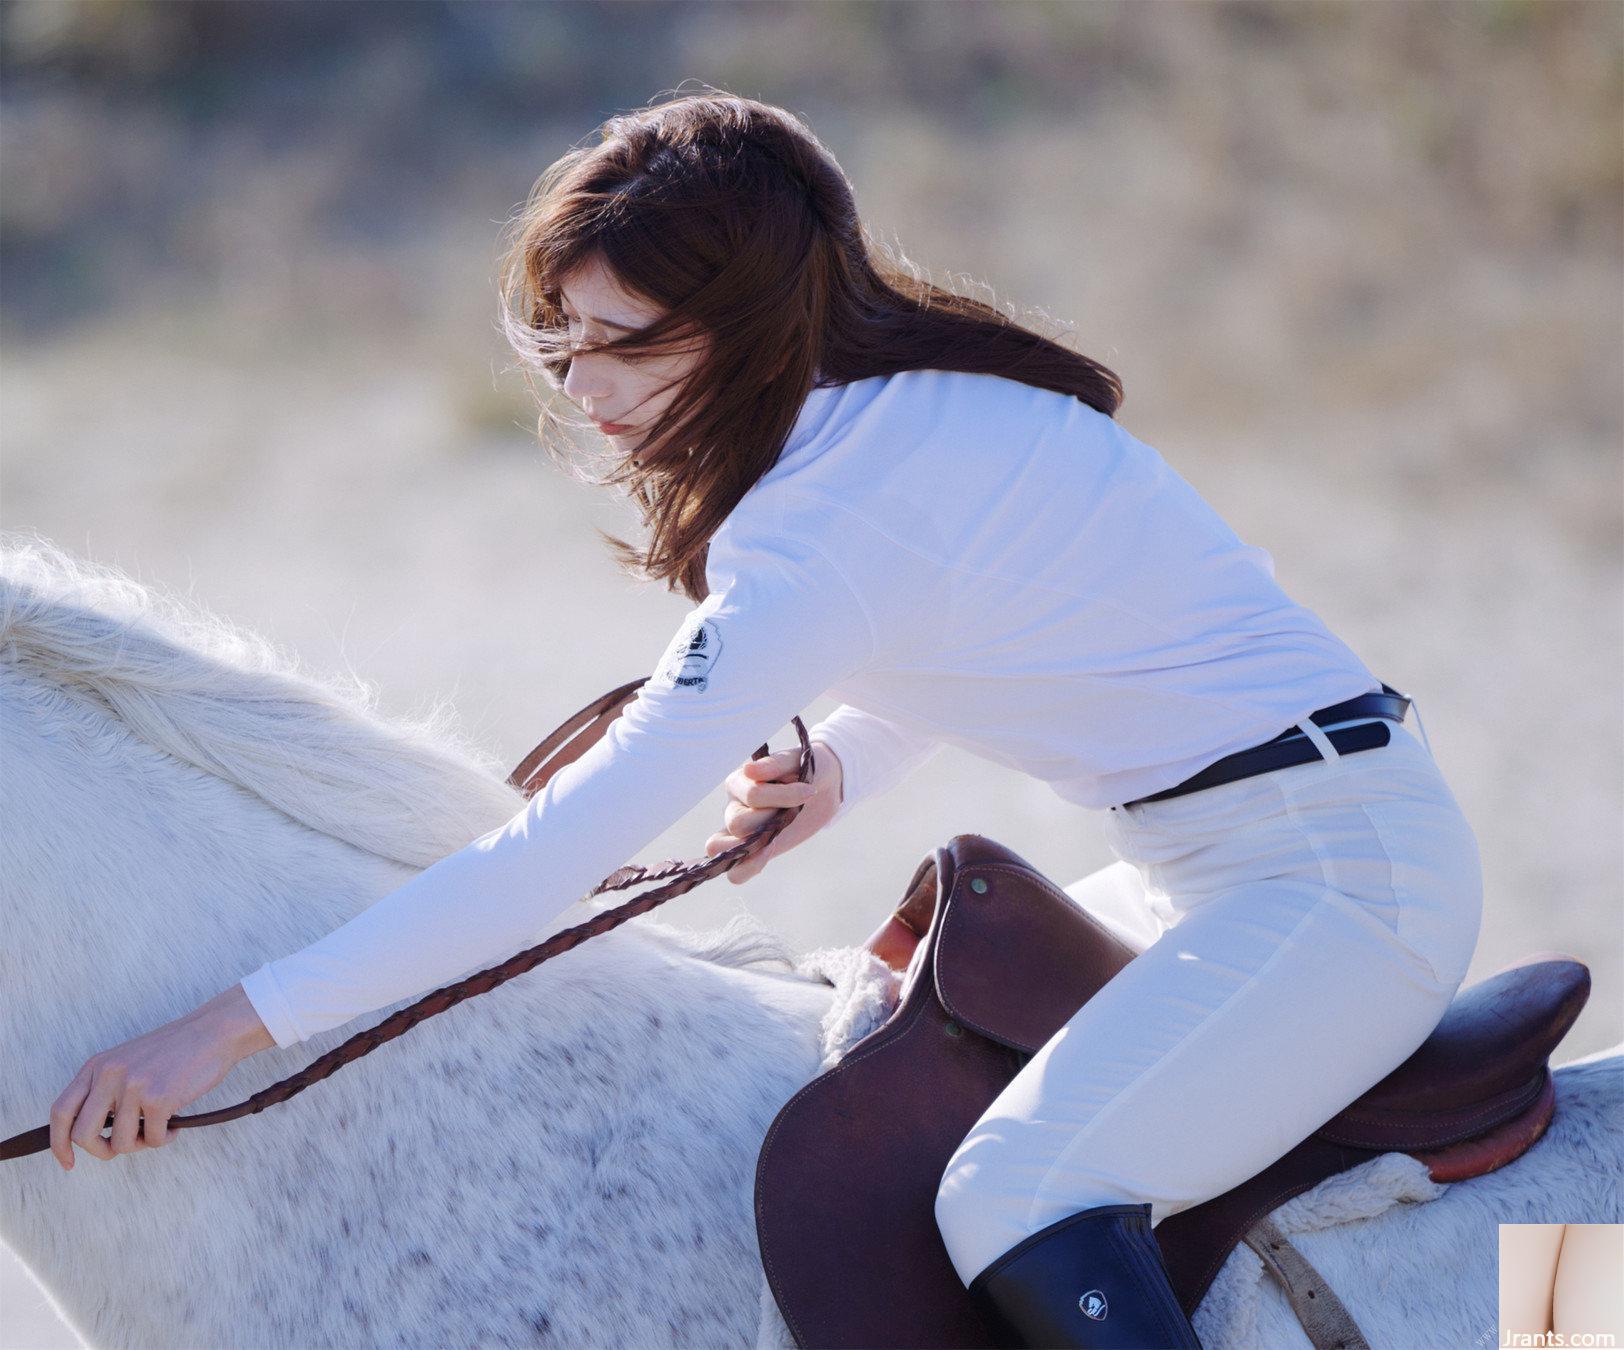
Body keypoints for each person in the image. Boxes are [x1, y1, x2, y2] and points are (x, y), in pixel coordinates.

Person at [49, 89, 1484, 1349]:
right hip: (1258, 850)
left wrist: (229, 1028)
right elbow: (996, 625)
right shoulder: (917, 406)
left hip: (1326, 881)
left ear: (738, 326)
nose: (584, 387)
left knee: (1018, 1193)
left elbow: (561, 848)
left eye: (622, 342)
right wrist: (847, 763)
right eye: (562, 342)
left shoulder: (819, 534)